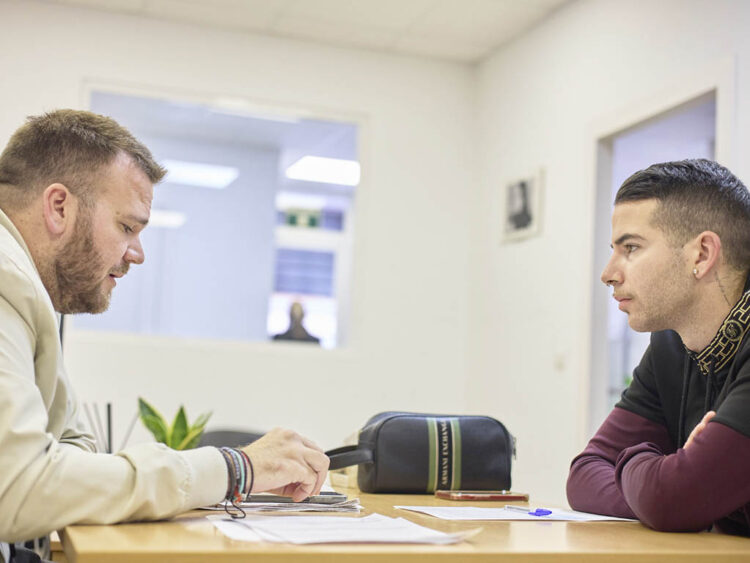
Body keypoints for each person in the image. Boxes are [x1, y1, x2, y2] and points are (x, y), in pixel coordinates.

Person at [0, 110, 329, 562]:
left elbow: (75, 453)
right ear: (59, 207)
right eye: (127, 227)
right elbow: (21, 487)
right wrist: (234, 467)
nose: (137, 254)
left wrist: (68, 475)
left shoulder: (28, 291)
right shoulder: (6, 281)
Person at [567, 159, 750, 535]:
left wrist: (644, 465)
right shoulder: (671, 343)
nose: (608, 274)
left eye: (630, 248)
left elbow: (675, 500)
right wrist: (667, 479)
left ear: (701, 255)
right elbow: (585, 474)